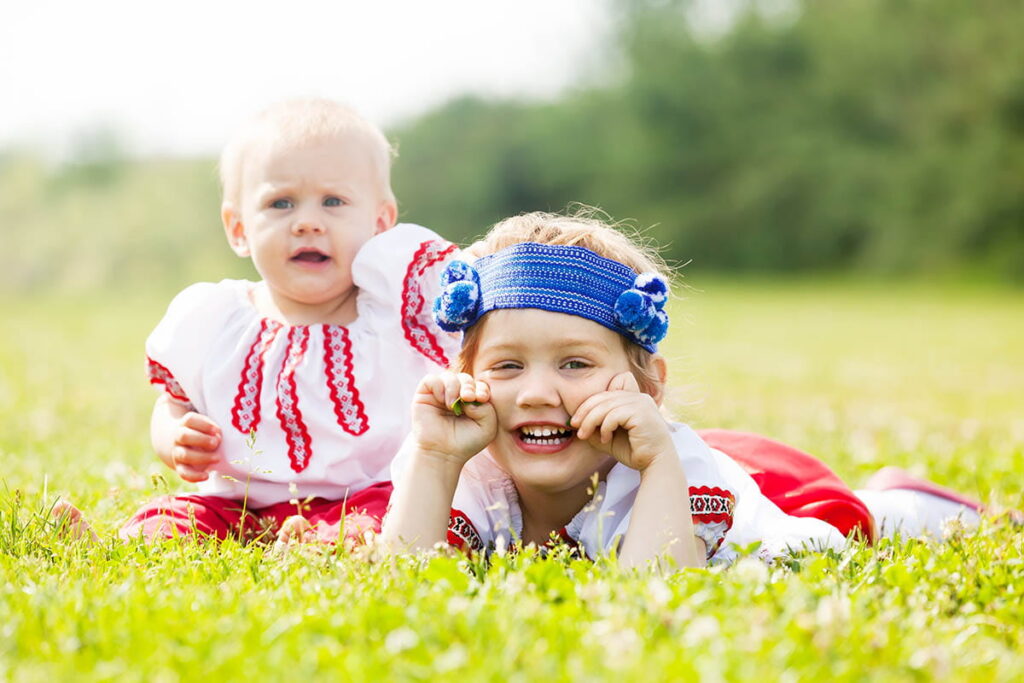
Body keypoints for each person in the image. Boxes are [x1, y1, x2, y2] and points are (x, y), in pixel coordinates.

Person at [382, 211, 994, 567]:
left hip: (762, 494)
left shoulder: (676, 466)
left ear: (649, 387)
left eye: (574, 364)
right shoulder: (459, 458)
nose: (538, 392)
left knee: (856, 520)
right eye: (507, 367)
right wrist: (434, 457)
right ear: (467, 378)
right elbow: (403, 582)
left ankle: (909, 496)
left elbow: (658, 593)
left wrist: (656, 464)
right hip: (717, 461)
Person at [54, 99, 461, 546]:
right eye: (280, 203)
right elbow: (172, 404)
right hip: (237, 504)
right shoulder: (215, 320)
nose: (307, 222)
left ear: (380, 222)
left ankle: (320, 544)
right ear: (238, 227)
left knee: (390, 522)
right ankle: (115, 545)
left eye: (333, 201)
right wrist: (174, 438)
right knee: (171, 519)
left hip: (364, 495)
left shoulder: (394, 315)